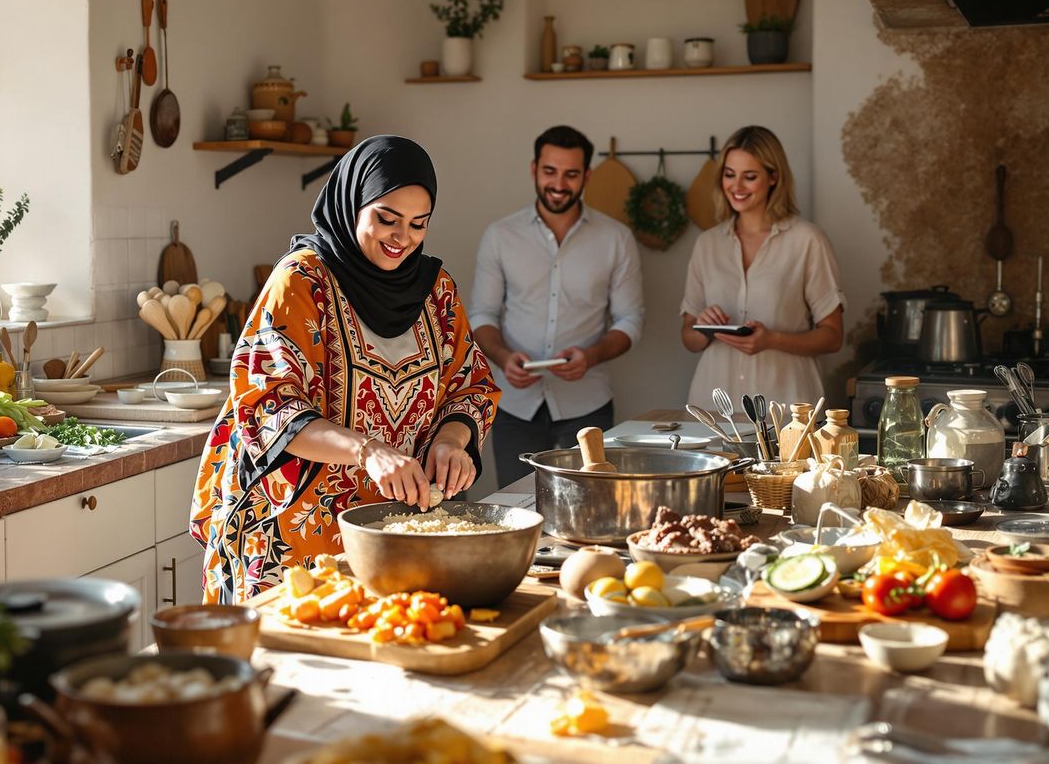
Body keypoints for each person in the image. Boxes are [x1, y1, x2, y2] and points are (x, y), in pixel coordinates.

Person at [190, 135, 500, 604]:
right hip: (291, 546)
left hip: (396, 535)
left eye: (419, 224)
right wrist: (370, 452)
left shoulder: (435, 288)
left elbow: (469, 385)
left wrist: (453, 441)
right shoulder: (301, 281)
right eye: (386, 219)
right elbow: (267, 409)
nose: (402, 238)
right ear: (351, 203)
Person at [470, 125, 644, 488]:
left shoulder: (616, 239)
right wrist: (503, 358)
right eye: (550, 171)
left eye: (571, 174)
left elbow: (630, 320)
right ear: (534, 169)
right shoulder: (500, 236)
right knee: (516, 509)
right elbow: (482, 316)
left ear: (587, 176)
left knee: (594, 505)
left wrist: (591, 356)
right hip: (514, 406)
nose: (559, 184)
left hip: (588, 406)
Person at [680, 125, 845, 408]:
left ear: (773, 177)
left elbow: (833, 337)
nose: (736, 186)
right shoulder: (707, 244)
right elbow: (688, 338)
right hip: (715, 412)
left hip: (788, 411)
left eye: (750, 177)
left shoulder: (807, 241)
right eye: (729, 175)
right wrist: (702, 328)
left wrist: (773, 339)